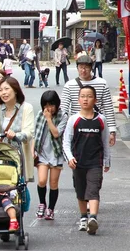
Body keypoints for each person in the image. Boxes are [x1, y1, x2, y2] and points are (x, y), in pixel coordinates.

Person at [62, 86, 110, 235]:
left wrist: (107, 161)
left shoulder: (101, 120)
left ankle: (93, 219)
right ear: (78, 99)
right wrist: (69, 158)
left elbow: (105, 141)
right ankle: (84, 218)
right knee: (81, 191)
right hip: (78, 163)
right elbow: (66, 141)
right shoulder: (74, 120)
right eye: (82, 96)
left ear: (95, 100)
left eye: (89, 96)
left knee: (93, 190)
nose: (85, 99)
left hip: (95, 162)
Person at [0, 77, 35, 183]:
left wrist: (16, 135)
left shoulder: (27, 108)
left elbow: (29, 132)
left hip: (19, 154)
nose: (3, 93)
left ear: (15, 90)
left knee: (19, 186)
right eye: (0, 90)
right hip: (0, 153)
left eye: (6, 89)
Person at [60, 55, 117, 147]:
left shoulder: (102, 83)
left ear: (91, 68)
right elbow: (64, 110)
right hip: (77, 126)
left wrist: (112, 131)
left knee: (98, 154)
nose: (83, 70)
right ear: (77, 68)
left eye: (86, 67)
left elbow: (108, 108)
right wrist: (62, 130)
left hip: (97, 126)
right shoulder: (69, 85)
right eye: (81, 67)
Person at [33, 90, 68, 220]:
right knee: (42, 180)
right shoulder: (39, 114)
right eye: (46, 105)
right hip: (42, 153)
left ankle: (51, 209)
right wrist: (33, 150)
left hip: (56, 153)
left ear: (57, 104)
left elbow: (56, 133)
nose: (49, 108)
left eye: (52, 105)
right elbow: (34, 133)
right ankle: (42, 203)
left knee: (53, 183)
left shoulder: (63, 116)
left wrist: (48, 119)